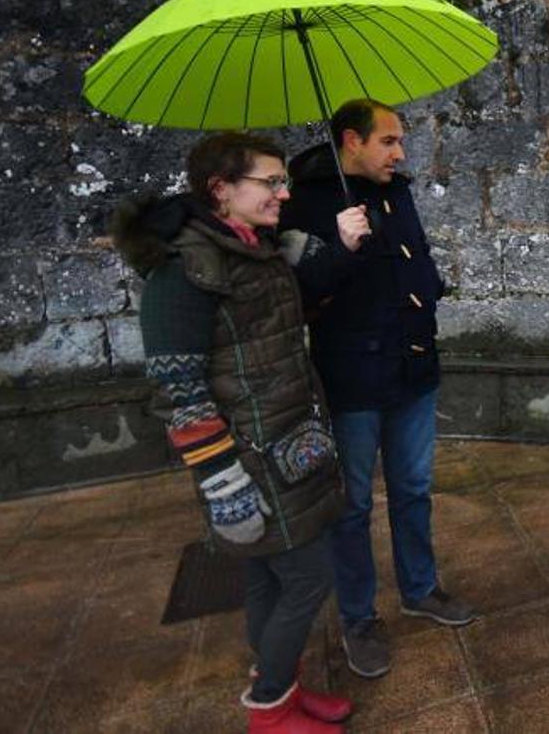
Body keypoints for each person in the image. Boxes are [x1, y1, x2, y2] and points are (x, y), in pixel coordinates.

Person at [112, 131, 370, 732]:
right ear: (221, 190)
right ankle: (272, 711)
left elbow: (287, 314)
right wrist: (222, 485)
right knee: (310, 579)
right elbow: (179, 394)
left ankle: (284, 685)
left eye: (283, 180)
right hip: (249, 460)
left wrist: (338, 246)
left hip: (290, 446)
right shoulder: (181, 275)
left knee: (265, 580)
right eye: (270, 182)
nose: (284, 193)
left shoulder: (256, 247)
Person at [281, 98, 476, 681]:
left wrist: (432, 288)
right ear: (351, 141)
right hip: (353, 381)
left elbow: (414, 263)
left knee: (415, 488)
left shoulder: (398, 191)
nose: (399, 151)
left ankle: (420, 588)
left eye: (400, 140)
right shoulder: (307, 202)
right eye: (388, 141)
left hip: (414, 370)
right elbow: (299, 297)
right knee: (353, 505)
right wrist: (339, 248)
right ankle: (359, 618)